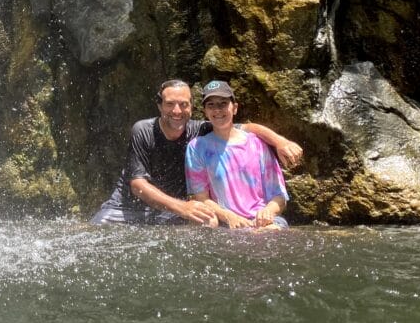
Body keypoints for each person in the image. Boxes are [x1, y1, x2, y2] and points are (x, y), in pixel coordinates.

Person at [90, 79, 302, 225]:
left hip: (173, 211)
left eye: (183, 105)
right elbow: (137, 185)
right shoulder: (143, 130)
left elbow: (244, 128)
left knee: (206, 223)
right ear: (159, 106)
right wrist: (183, 208)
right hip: (127, 208)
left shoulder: (200, 130)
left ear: (191, 108)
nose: (177, 111)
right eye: (170, 104)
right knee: (98, 228)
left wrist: (279, 141)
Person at [185, 80, 289, 229]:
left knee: (271, 230)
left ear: (234, 108)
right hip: (225, 221)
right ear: (205, 112)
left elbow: (279, 197)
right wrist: (229, 216)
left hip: (263, 222)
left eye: (223, 104)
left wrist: (268, 211)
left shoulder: (258, 144)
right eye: (211, 105)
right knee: (206, 224)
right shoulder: (196, 147)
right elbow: (201, 199)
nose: (217, 110)